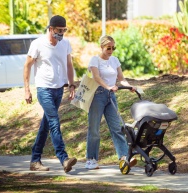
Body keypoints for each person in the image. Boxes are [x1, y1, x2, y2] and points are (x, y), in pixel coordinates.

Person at [23, 15, 77, 173]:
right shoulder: (37, 44)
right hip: (43, 89)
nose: (62, 33)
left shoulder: (65, 43)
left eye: (64, 30)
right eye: (59, 30)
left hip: (58, 89)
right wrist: (27, 89)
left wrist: (71, 85)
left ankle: (35, 160)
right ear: (51, 29)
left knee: (45, 126)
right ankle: (64, 158)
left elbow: (69, 64)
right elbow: (27, 66)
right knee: (54, 122)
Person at [85, 35, 137, 170]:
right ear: (102, 47)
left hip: (111, 97)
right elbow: (96, 77)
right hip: (97, 96)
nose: (111, 50)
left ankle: (124, 158)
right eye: (108, 48)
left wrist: (129, 86)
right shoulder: (95, 60)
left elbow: (121, 78)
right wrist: (108, 87)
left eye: (113, 48)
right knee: (94, 129)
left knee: (117, 128)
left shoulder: (114, 60)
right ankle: (91, 159)